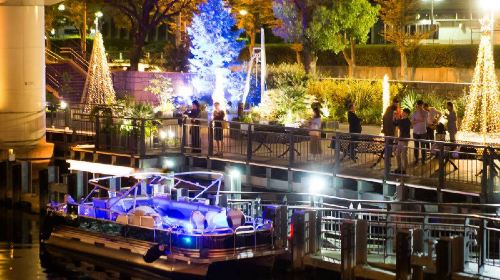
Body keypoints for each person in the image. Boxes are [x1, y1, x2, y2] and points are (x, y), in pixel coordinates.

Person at [394, 108, 412, 174]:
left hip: (405, 139)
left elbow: (401, 126)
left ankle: (404, 169)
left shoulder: (407, 121)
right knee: (397, 154)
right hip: (400, 139)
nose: (402, 113)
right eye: (402, 112)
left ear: (407, 114)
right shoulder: (401, 120)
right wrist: (395, 117)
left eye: (404, 112)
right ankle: (399, 167)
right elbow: (395, 123)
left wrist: (397, 119)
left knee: (404, 154)